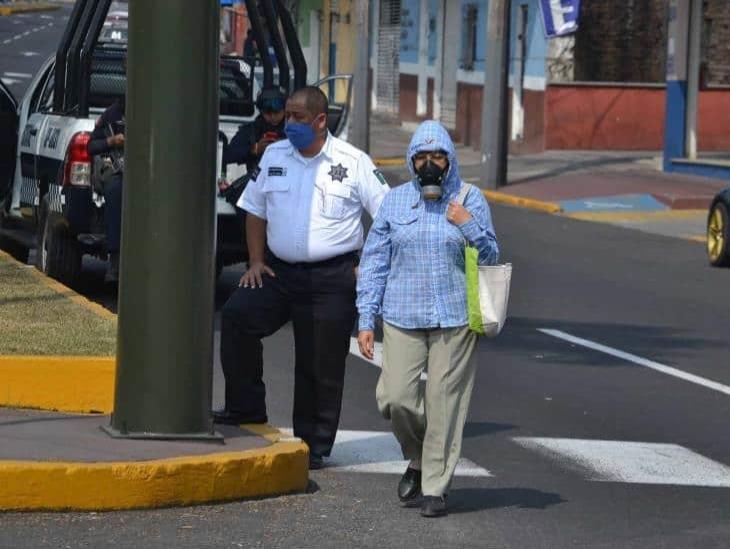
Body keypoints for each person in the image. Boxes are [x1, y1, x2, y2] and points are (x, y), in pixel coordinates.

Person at [214, 86, 390, 470]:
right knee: (237, 317)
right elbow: (255, 210)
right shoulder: (275, 155)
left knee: (319, 362)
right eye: (287, 116)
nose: (289, 123)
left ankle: (314, 444)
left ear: (320, 120)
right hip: (278, 271)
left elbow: (388, 217)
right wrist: (255, 260)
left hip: (332, 276)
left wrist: (368, 265)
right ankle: (245, 410)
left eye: (297, 117)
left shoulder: (353, 161)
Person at [356, 120, 499, 517]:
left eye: (438, 157)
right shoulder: (395, 201)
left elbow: (490, 257)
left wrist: (466, 224)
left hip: (454, 317)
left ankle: (435, 487)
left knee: (444, 404)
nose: (430, 165)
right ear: (412, 161)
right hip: (402, 314)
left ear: (450, 160)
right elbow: (374, 262)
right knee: (397, 399)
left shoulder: (470, 199)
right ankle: (417, 458)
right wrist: (366, 318)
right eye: (422, 157)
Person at [219, 87, 287, 206]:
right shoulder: (251, 131)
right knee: (239, 197)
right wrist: (255, 149)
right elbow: (228, 155)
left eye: (277, 112)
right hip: (259, 181)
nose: (272, 117)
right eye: (267, 112)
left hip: (288, 181)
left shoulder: (292, 129)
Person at [87, 98, 125, 283]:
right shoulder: (111, 115)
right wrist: (111, 141)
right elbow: (92, 146)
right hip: (117, 169)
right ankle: (115, 261)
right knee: (115, 192)